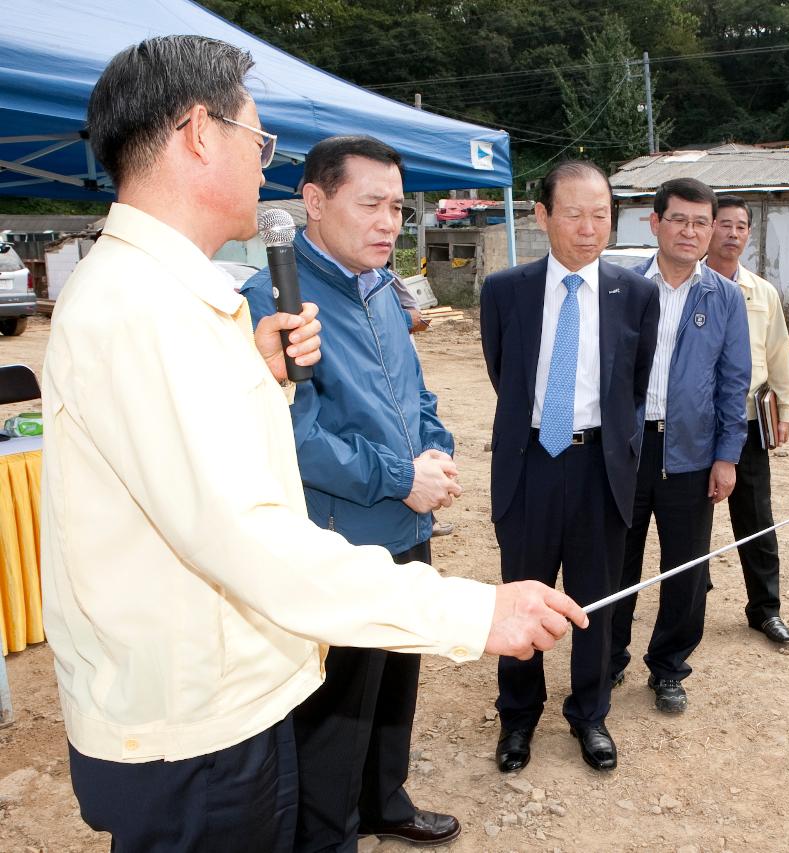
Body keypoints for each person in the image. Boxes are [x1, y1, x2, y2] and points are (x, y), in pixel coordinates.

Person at [41, 35, 584, 850]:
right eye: (256, 141)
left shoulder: (165, 298)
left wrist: (253, 372)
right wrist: (474, 609)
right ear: (197, 133)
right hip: (194, 729)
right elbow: (245, 535)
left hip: (216, 699)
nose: (263, 166)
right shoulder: (144, 310)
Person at [241, 136, 461, 850]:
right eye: (371, 203)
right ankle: (329, 834)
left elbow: (417, 396)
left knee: (394, 684)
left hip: (408, 527)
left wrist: (436, 451)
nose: (389, 221)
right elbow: (296, 437)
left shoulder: (383, 288)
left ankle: (384, 799)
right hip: (340, 540)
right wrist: (404, 478)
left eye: (397, 206)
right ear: (314, 201)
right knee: (336, 712)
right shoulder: (278, 296)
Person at [480, 161, 659, 772]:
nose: (589, 228)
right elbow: (503, 373)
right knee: (522, 596)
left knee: (596, 598)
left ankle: (590, 714)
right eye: (575, 214)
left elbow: (633, 387)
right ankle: (517, 719)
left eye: (601, 215)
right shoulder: (505, 290)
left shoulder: (637, 294)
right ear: (543, 216)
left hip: (599, 467)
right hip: (529, 463)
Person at [609, 177, 751, 713]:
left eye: (701, 222)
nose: (690, 232)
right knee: (616, 564)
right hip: (625, 451)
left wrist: (727, 456)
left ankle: (669, 667)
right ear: (655, 223)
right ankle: (608, 659)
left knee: (686, 569)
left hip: (691, 454)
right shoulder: (620, 286)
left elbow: (734, 382)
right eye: (679, 220)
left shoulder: (725, 298)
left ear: (711, 229)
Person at [704, 194, 789, 645]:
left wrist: (786, 408)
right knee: (690, 517)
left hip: (745, 421)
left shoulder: (762, 293)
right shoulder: (690, 285)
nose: (733, 234)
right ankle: (690, 594)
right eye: (725, 225)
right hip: (693, 423)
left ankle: (765, 609)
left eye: (741, 227)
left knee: (756, 517)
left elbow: (779, 353)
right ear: (709, 229)